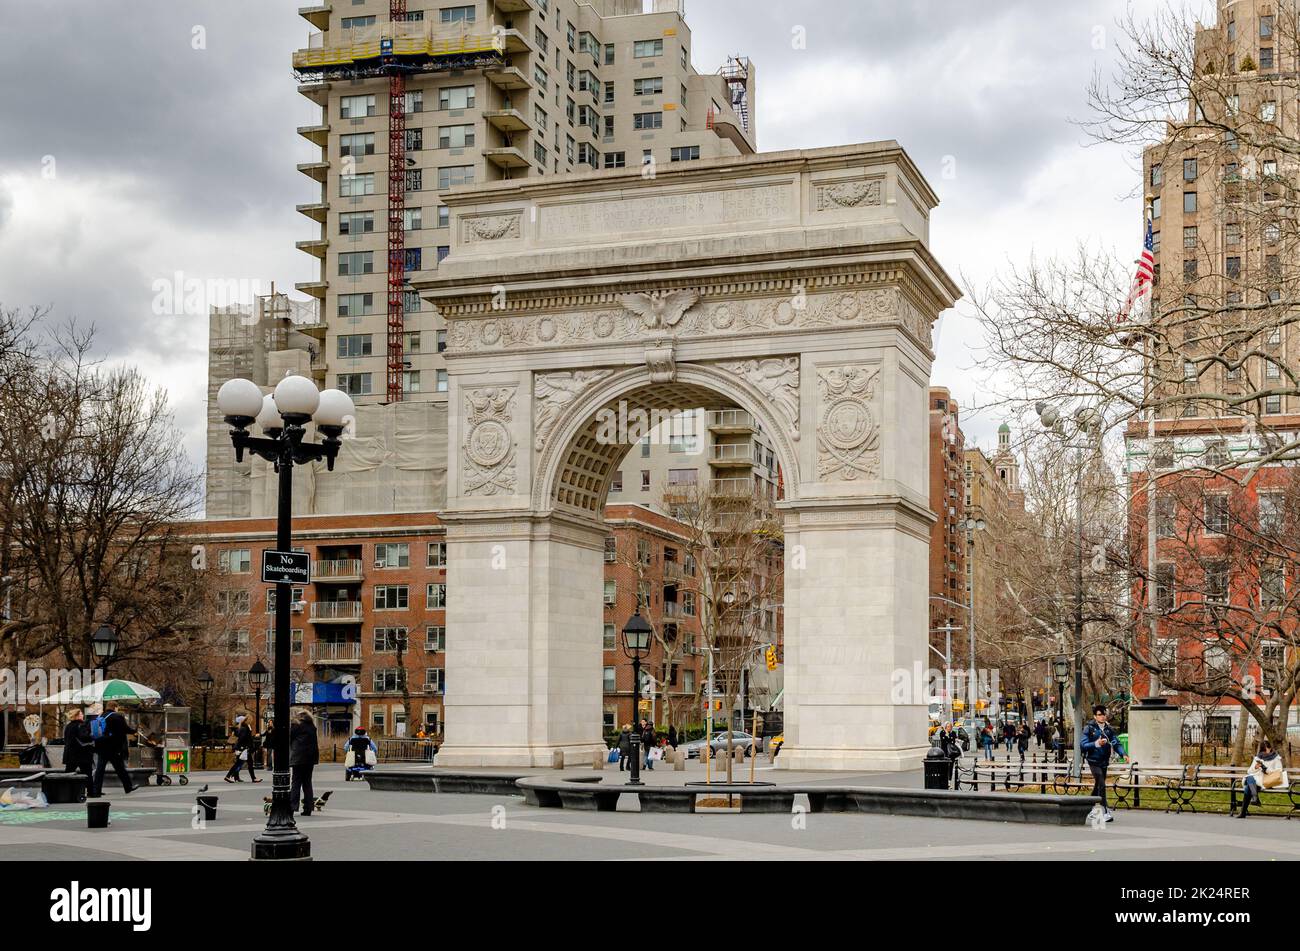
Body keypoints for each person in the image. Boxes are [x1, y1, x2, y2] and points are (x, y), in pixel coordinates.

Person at [1080, 704, 1126, 821]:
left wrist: (1123, 754)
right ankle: (1104, 811)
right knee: (1102, 784)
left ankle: (1088, 810)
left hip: (1104, 761)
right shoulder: (1089, 728)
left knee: (1098, 786)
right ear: (1095, 716)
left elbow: (1116, 742)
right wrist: (1096, 744)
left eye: (1104, 714)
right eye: (1100, 715)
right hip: (1093, 760)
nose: (1102, 717)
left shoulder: (1108, 729)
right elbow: (1083, 745)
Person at [89, 701, 137, 797]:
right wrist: (134, 731)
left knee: (100, 769)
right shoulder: (117, 716)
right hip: (113, 748)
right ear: (115, 707)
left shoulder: (101, 716)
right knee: (120, 768)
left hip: (101, 746)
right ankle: (128, 787)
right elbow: (125, 729)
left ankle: (96, 791)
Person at [1235, 740, 1285, 818]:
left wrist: (1266, 769)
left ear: (1270, 748)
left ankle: (1244, 811)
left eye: (1267, 749)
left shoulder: (1276, 758)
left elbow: (1279, 771)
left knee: (1248, 787)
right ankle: (1255, 798)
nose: (1265, 752)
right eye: (1264, 750)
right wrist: (1256, 767)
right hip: (1256, 779)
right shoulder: (1258, 757)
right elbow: (1249, 771)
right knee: (1250, 778)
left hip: (1268, 780)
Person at [289, 712, 319, 816]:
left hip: (298, 756)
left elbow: (289, 738)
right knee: (307, 782)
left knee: (296, 782)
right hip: (310, 758)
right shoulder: (312, 726)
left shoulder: (296, 725)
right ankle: (308, 807)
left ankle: (293, 806)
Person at [62, 708, 95, 788]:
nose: (82, 715)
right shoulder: (81, 725)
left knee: (68, 773)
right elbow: (84, 737)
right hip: (82, 754)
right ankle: (90, 791)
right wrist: (92, 737)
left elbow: (66, 739)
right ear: (76, 716)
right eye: (81, 714)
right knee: (87, 773)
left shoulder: (68, 726)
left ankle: (65, 789)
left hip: (70, 753)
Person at [224, 715, 261, 783]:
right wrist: (244, 747)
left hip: (244, 748)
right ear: (246, 721)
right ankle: (228, 776)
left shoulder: (244, 728)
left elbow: (244, 738)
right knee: (239, 763)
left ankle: (253, 778)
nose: (251, 721)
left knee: (248, 763)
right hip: (244, 749)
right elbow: (242, 738)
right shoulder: (244, 728)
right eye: (249, 720)